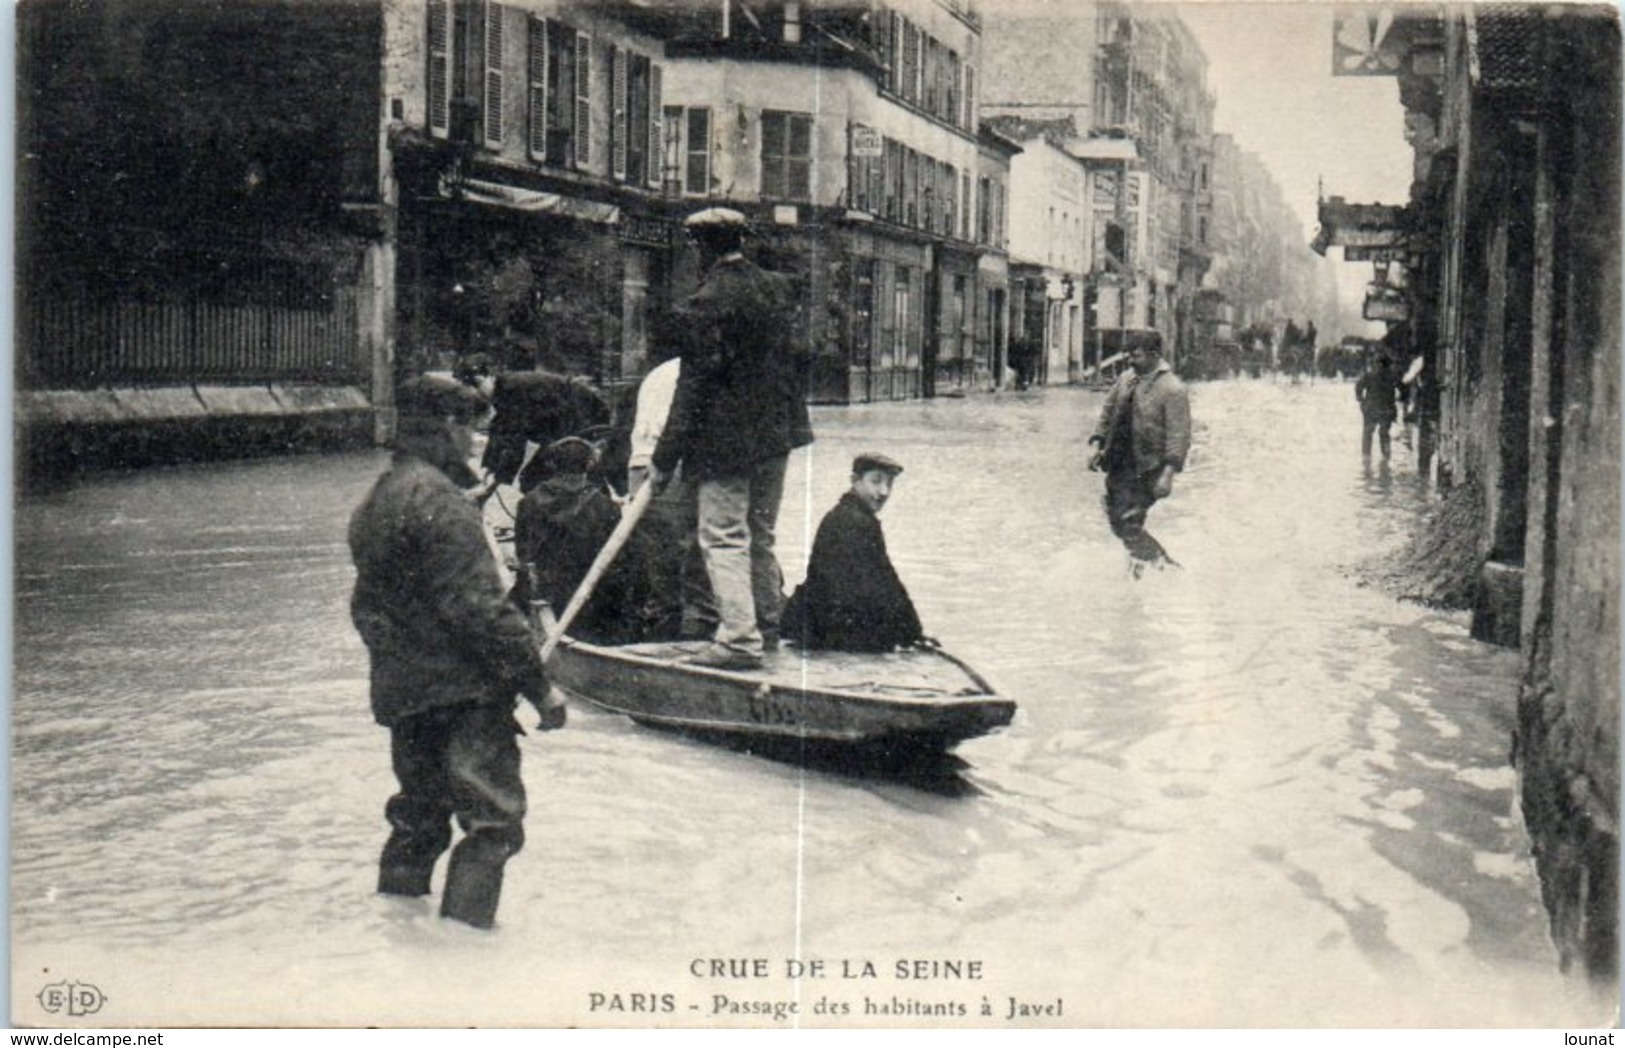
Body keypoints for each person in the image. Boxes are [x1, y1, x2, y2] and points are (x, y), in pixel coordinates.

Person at [347, 375, 565, 930]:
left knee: (418, 817)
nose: (476, 442)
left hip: (405, 693)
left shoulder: (375, 501)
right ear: (448, 427)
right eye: (470, 428)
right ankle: (466, 958)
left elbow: (366, 611)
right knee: (492, 824)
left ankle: (400, 938)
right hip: (466, 695)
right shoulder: (443, 504)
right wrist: (539, 689)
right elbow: (484, 613)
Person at [650, 207, 813, 669]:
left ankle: (739, 641)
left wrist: (665, 458)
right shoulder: (777, 290)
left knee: (722, 537)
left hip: (725, 445)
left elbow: (692, 387)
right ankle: (767, 629)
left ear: (700, 247)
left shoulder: (705, 303)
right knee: (760, 535)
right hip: (777, 437)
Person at [781, 453, 929, 653]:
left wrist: (911, 632)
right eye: (875, 481)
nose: (884, 491)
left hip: (818, 618)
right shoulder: (855, 521)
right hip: (829, 625)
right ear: (855, 481)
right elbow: (875, 585)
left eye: (889, 484)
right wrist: (909, 633)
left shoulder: (848, 515)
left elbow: (885, 579)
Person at [510, 435, 650, 646]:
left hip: (546, 592)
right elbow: (622, 561)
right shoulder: (605, 507)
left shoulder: (527, 502)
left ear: (551, 464)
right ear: (590, 464)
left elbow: (524, 554)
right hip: (591, 602)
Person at [626, 348, 715, 641]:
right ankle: (695, 626)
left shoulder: (659, 372)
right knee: (689, 550)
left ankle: (665, 625)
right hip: (668, 464)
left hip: (644, 464)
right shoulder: (700, 371)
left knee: (660, 553)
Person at [1087, 331, 1192, 576]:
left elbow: (1180, 436)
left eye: (1136, 356)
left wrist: (1168, 473)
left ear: (1154, 355)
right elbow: (1107, 412)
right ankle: (1140, 572)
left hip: (1148, 468)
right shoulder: (1125, 379)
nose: (1130, 361)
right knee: (1117, 518)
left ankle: (1165, 568)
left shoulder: (1173, 389)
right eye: (1129, 355)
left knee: (1128, 522)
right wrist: (1096, 445)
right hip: (1118, 462)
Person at [1355, 353, 1402, 461]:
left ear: (1378, 364)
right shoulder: (1392, 376)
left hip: (1370, 409)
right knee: (1384, 434)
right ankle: (1385, 460)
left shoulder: (1370, 375)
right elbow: (1403, 389)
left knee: (1368, 433)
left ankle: (1366, 460)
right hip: (1386, 410)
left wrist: (1361, 400)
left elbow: (1358, 387)